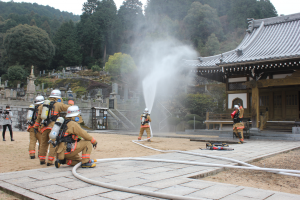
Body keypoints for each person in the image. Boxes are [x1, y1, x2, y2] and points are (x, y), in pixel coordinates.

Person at [34, 89, 70, 166]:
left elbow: (38, 118)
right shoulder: (58, 104)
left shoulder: (42, 106)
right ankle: (50, 161)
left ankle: (42, 159)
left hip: (44, 127)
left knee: (43, 144)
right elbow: (68, 108)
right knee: (53, 143)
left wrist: (36, 127)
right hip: (54, 127)